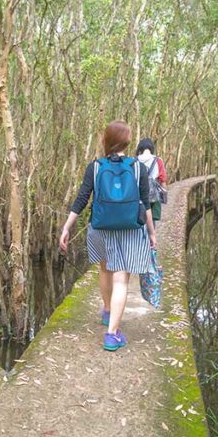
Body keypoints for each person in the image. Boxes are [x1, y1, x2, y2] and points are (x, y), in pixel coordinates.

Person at [58, 121, 156, 351]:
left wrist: (66, 227)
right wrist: (152, 233)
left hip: (101, 227)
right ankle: (112, 334)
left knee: (105, 269)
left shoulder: (95, 167)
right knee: (121, 278)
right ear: (127, 142)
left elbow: (82, 199)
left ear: (107, 141)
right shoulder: (137, 168)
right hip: (130, 228)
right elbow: (146, 205)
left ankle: (108, 310)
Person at [136, 138, 167, 222]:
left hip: (138, 195)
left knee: (138, 218)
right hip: (153, 195)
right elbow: (162, 180)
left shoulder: (134, 160)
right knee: (151, 220)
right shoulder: (158, 160)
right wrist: (164, 195)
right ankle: (150, 233)